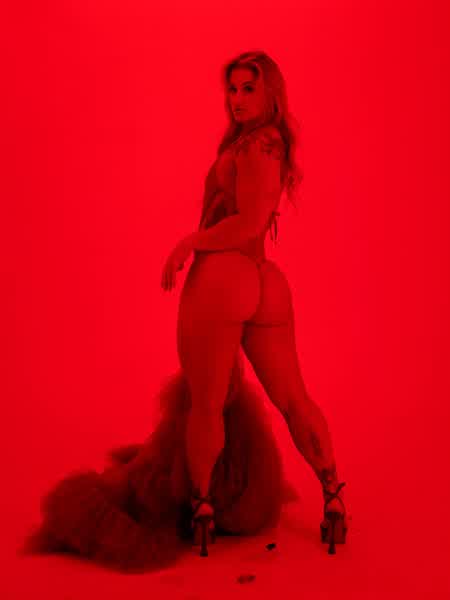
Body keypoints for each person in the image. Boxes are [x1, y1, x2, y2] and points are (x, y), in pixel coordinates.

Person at [20, 50, 348, 573]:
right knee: (293, 398)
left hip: (226, 276)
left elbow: (247, 223)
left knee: (206, 403)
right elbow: (256, 221)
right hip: (266, 281)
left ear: (271, 93)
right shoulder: (267, 143)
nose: (237, 99)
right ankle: (333, 497)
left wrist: (189, 243)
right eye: (232, 89)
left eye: (248, 89)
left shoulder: (258, 145)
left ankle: (202, 509)